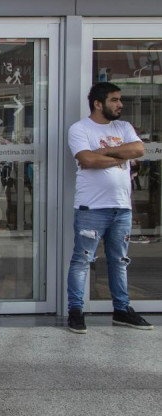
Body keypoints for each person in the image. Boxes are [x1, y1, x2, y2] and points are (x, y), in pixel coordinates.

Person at [66, 82, 153, 334]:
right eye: (114, 100)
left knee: (119, 261)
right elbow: (87, 159)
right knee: (82, 260)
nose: (120, 104)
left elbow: (138, 149)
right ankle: (75, 312)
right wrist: (120, 156)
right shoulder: (80, 129)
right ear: (98, 103)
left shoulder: (124, 127)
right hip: (91, 207)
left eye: (119, 100)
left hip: (121, 208)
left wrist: (107, 151)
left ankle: (122, 311)